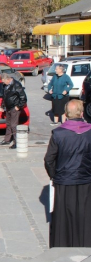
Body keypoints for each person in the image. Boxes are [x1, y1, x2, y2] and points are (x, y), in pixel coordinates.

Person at [44, 100, 91, 247]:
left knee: (64, 216)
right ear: (82, 113)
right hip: (86, 179)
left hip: (64, 180)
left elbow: (49, 159)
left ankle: (63, 244)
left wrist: (54, 175)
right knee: (85, 214)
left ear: (65, 115)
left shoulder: (59, 133)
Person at [0, 74, 27, 149]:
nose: (3, 83)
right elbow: (5, 96)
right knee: (8, 124)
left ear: (8, 79)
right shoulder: (5, 86)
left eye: (4, 82)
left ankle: (16, 142)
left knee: (14, 125)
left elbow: (23, 97)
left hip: (14, 107)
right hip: (8, 107)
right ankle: (7, 140)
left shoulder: (16, 85)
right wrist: (2, 106)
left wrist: (19, 106)